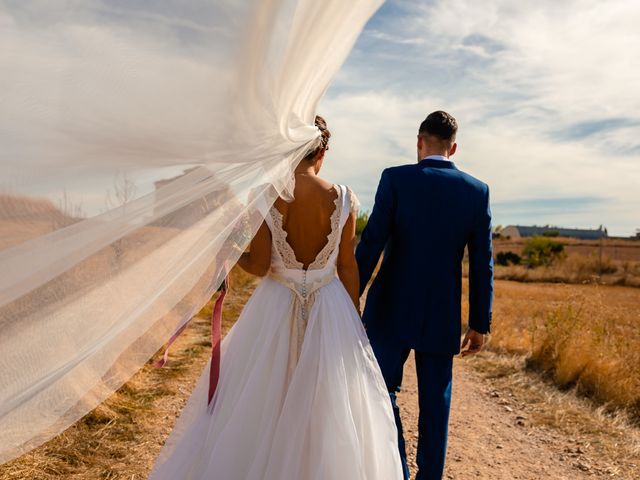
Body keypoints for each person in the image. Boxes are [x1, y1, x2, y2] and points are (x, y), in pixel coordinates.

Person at [148, 116, 403, 480]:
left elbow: (261, 265)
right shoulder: (345, 198)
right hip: (329, 303)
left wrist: (229, 250)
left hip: (276, 302)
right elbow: (347, 266)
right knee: (328, 399)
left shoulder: (267, 194)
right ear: (323, 152)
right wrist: (351, 314)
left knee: (261, 397)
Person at [356, 111, 494, 480]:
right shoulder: (476, 191)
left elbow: (371, 243)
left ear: (419, 142)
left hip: (389, 309)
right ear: (454, 147)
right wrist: (480, 323)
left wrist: (348, 293)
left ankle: (397, 469)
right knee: (436, 402)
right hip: (440, 313)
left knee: (382, 393)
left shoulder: (395, 179)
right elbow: (482, 264)